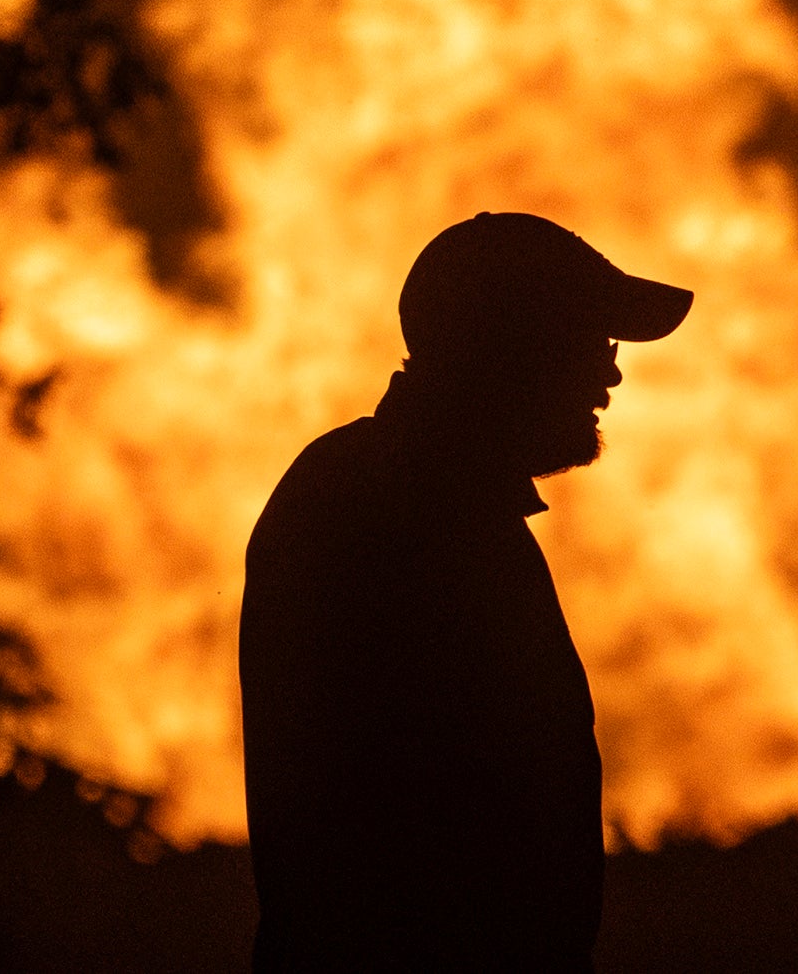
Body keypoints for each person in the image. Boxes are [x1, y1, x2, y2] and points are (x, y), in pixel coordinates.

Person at [240, 212, 695, 973]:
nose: (610, 376)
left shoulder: (403, 495)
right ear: (516, 345)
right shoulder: (406, 511)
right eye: (594, 339)